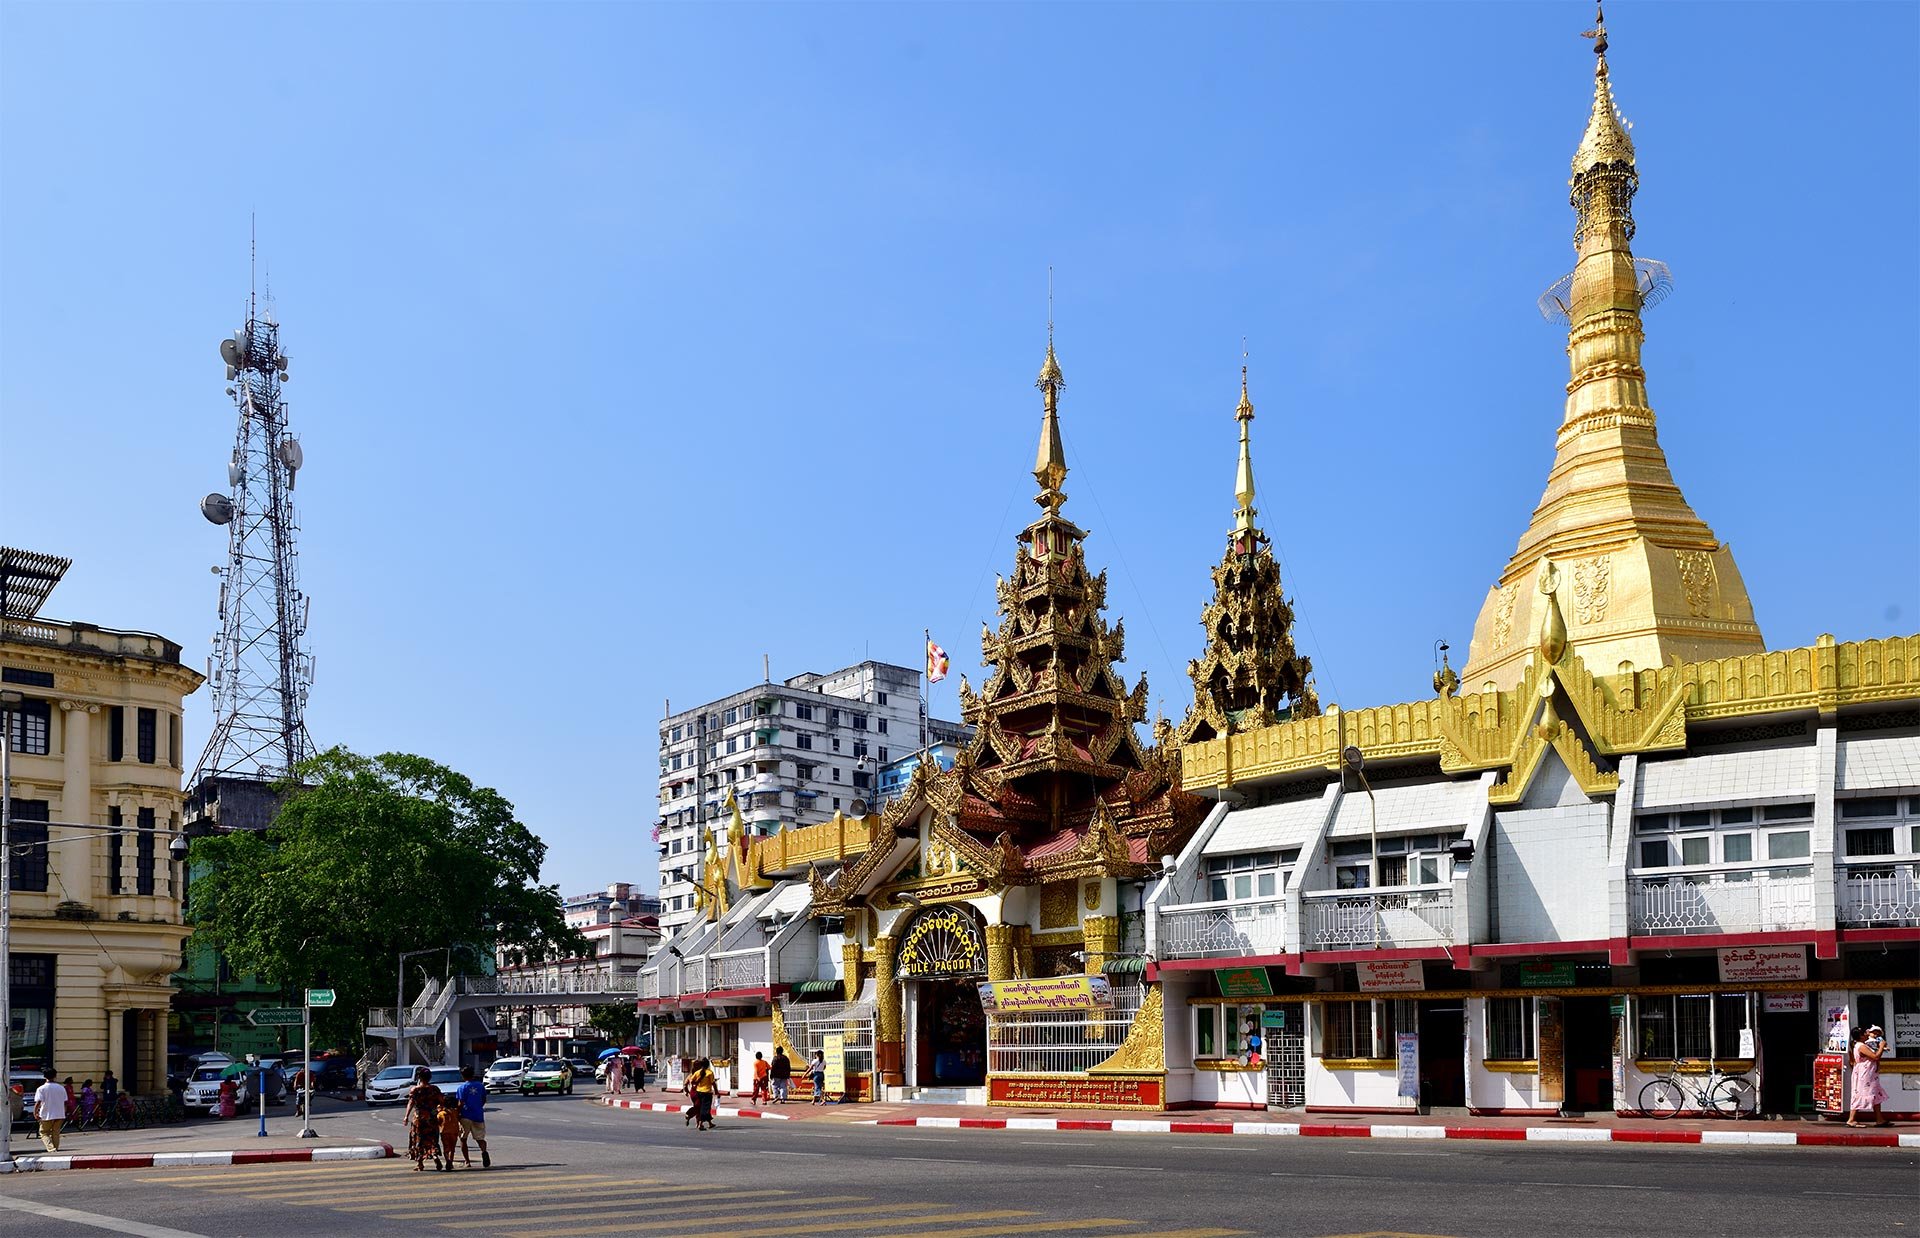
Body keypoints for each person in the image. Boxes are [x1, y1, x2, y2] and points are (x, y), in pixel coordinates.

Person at [403, 1066, 445, 1170]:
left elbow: (411, 1103)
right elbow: (442, 1101)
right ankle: (434, 1155)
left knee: (419, 1140)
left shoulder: (415, 1090)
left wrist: (406, 1116)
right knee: (432, 1139)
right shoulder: (434, 1089)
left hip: (419, 1118)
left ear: (419, 1078)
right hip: (431, 1118)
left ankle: (420, 1163)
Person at [1847, 1023, 1889, 1128]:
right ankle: (1851, 1119)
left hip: (1870, 1073)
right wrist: (1881, 1046)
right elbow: (1875, 1057)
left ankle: (1879, 1119)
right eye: (1865, 1033)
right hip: (1865, 1074)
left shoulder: (1863, 1045)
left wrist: (1880, 1048)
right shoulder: (1861, 1046)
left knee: (1875, 1094)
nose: (1868, 1033)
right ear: (1861, 1036)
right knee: (1860, 1094)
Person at [455, 1065, 492, 1169]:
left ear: (462, 1075)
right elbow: (484, 1099)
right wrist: (478, 1107)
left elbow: (460, 1103)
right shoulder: (480, 1086)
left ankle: (467, 1161)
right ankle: (484, 1151)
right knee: (480, 1138)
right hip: (478, 1115)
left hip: (465, 1116)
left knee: (463, 1139)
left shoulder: (462, 1088)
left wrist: (457, 1113)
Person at [33, 1068, 68, 1152]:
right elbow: (65, 1102)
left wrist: (35, 1113)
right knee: (56, 1132)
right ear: (55, 1076)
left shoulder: (41, 1089)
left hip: (46, 1113)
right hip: (60, 1113)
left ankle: (51, 1148)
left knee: (44, 1132)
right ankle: (56, 1147)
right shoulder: (61, 1088)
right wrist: (64, 1112)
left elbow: (38, 1102)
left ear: (44, 1076)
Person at [685, 1057, 717, 1131]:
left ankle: (709, 1123)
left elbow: (691, 1081)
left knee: (701, 1107)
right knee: (704, 1109)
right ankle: (700, 1123)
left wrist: (695, 1085)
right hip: (706, 1093)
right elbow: (713, 1083)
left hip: (697, 1092)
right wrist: (717, 1092)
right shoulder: (709, 1072)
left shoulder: (695, 1073)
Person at [437, 1095, 464, 1170]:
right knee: (452, 1148)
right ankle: (450, 1162)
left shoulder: (441, 1114)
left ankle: (447, 1160)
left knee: (446, 1148)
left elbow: (438, 1122)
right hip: (454, 1132)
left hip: (444, 1132)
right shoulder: (455, 1112)